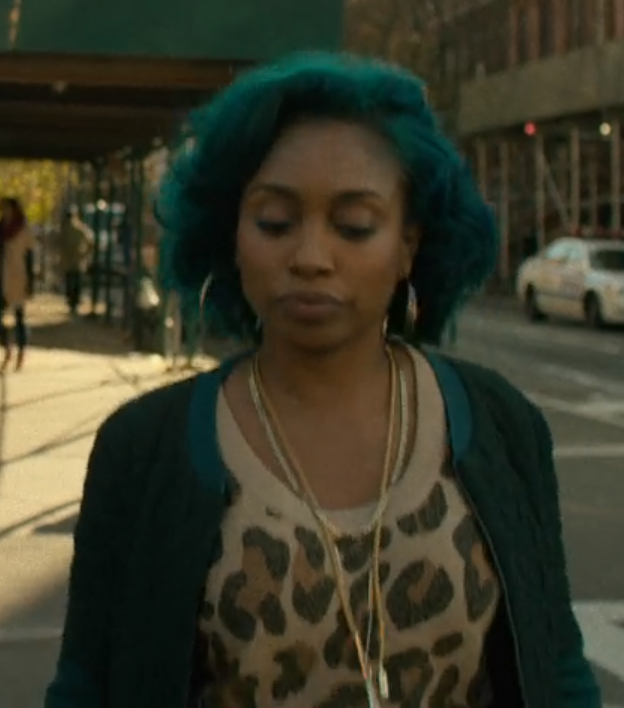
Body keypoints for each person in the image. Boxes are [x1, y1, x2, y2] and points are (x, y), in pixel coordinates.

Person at [46, 53, 601, 708]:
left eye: (354, 226)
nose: (311, 257)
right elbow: (85, 686)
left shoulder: (503, 424)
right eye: (275, 222)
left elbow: (557, 667)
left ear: (409, 243)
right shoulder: (143, 448)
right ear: (231, 233)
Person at [0, 197, 35, 372]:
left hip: (18, 277)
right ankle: (7, 348)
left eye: (8, 209)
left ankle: (21, 353)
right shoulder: (1, 228)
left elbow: (30, 256)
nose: (5, 212)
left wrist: (30, 281)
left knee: (19, 317)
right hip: (1, 277)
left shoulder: (23, 229)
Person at [56, 207, 93, 315]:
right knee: (75, 281)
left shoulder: (64, 230)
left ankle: (72, 302)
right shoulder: (80, 229)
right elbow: (90, 242)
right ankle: (74, 302)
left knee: (70, 281)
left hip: (69, 261)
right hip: (77, 260)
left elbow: (57, 244)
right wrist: (84, 254)